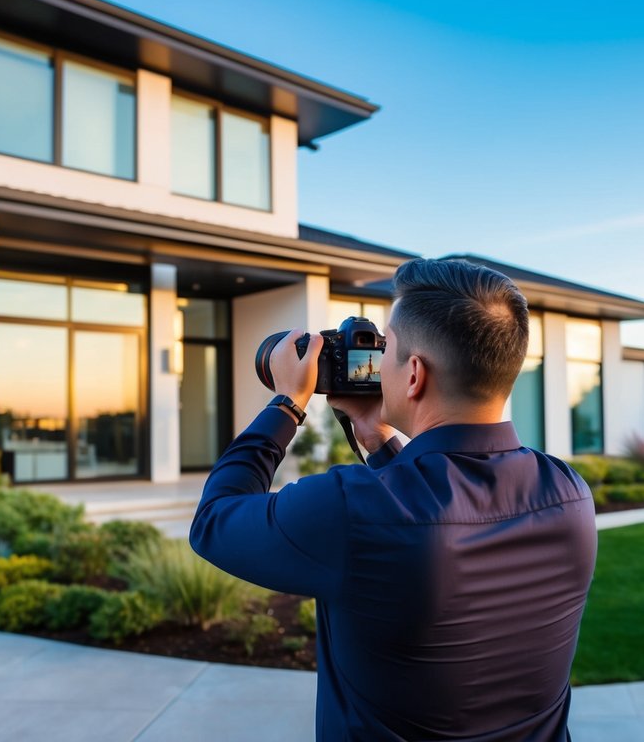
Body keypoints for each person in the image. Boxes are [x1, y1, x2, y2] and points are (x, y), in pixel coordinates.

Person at [190, 258, 597, 741]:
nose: (376, 363)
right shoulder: (570, 496)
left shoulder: (351, 510)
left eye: (387, 351)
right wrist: (377, 437)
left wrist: (286, 404)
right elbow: (425, 514)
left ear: (414, 375)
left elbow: (214, 521)